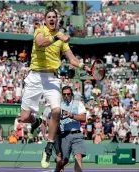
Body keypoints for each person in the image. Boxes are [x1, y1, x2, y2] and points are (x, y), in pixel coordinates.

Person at [20, 8, 90, 168]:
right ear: (45, 20)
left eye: (54, 17)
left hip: (52, 78)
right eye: (49, 17)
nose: (52, 19)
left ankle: (49, 147)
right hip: (35, 77)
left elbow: (71, 59)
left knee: (56, 111)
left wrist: (83, 66)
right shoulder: (40, 31)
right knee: (24, 118)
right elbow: (40, 43)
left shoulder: (61, 40)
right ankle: (36, 120)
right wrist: (56, 36)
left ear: (57, 20)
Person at [54, 86, 87, 172]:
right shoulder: (58, 106)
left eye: (68, 94)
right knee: (63, 160)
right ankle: (57, 170)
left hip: (77, 134)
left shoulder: (78, 103)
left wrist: (72, 116)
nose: (66, 96)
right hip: (64, 135)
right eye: (64, 94)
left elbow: (83, 118)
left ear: (72, 94)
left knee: (78, 156)